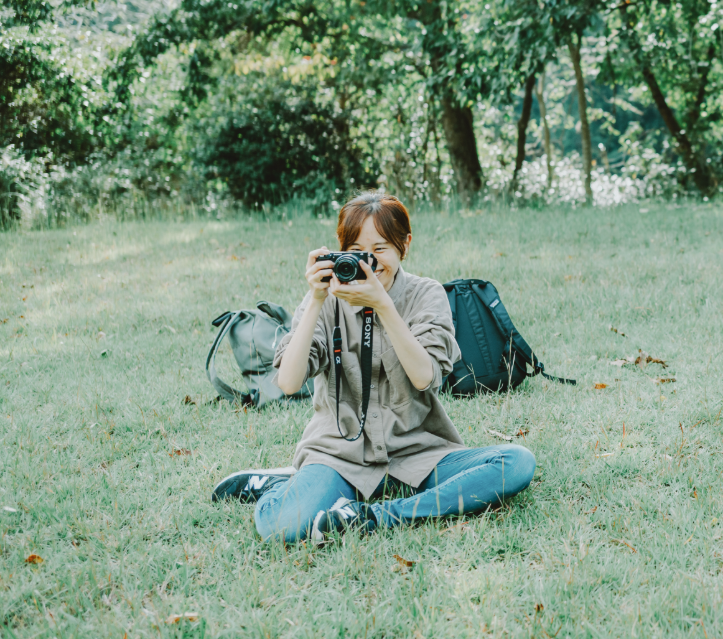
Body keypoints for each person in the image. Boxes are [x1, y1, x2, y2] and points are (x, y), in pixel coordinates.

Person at [211, 193, 535, 544]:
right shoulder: (326, 298)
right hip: (339, 455)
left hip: (419, 452)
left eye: (380, 248)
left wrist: (382, 306)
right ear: (341, 252)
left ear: (404, 244)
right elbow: (289, 383)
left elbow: (424, 377)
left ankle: (376, 516)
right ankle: (286, 484)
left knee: (515, 462)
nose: (369, 261)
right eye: (356, 250)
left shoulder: (427, 295)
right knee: (281, 527)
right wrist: (318, 300)